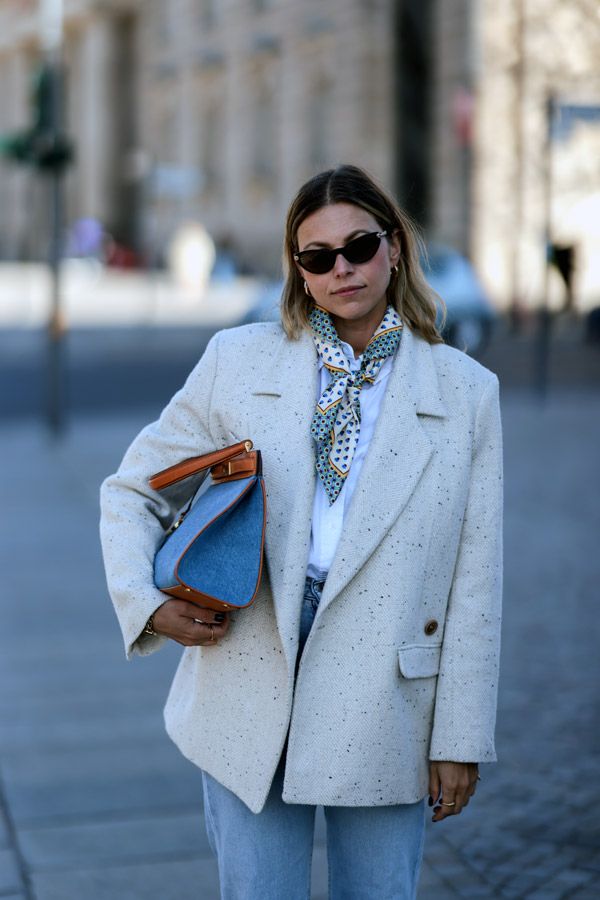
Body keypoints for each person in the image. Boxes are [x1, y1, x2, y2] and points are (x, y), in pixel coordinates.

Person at [100, 165, 503, 899]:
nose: (342, 268)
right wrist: (147, 602)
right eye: (318, 257)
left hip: (387, 690)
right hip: (251, 665)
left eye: (359, 246)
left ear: (395, 247)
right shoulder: (238, 360)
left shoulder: (467, 392)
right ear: (299, 271)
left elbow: (475, 582)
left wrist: (460, 739)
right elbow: (133, 489)